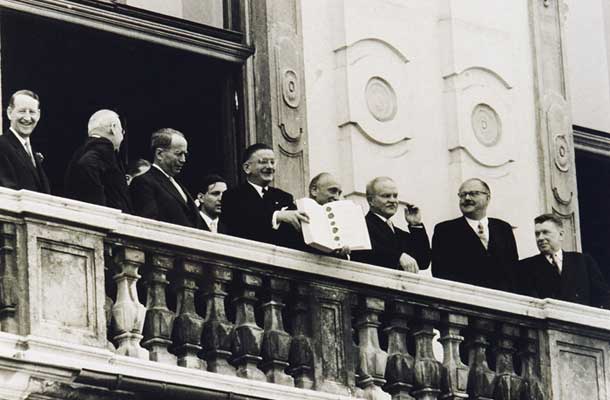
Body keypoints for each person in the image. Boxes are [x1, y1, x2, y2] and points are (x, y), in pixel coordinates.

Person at [431, 178, 518, 291]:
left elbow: (513, 270)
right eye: (462, 195)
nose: (467, 198)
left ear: (488, 197)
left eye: (473, 194)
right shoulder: (445, 231)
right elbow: (440, 274)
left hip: (502, 302)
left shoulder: (503, 228)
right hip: (466, 302)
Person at [220, 143, 308, 247]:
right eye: (263, 162)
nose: (270, 167)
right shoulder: (232, 196)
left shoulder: (284, 197)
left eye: (272, 162)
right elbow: (243, 224)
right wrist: (278, 216)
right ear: (247, 168)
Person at [518, 214, 610, 308]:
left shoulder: (583, 261)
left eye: (545, 232)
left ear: (561, 235)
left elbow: (603, 297)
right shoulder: (526, 267)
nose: (540, 238)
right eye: (537, 234)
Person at [351, 177, 430, 272]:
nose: (393, 200)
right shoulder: (360, 226)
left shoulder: (400, 234)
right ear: (371, 200)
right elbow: (364, 253)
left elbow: (423, 262)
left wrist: (415, 225)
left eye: (395, 196)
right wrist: (397, 257)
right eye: (386, 196)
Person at [130, 128, 203, 229]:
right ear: (160, 154)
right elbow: (149, 225)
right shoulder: (143, 183)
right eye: (178, 154)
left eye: (185, 154)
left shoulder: (178, 185)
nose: (183, 160)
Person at [64, 109, 132, 213]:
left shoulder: (79, 152)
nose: (122, 137)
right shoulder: (103, 151)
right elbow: (87, 164)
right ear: (113, 128)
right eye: (122, 131)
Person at [0, 90, 50, 193]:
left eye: (32, 112)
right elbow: (8, 194)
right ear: (9, 113)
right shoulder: (2, 145)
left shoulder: (32, 152)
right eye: (22, 111)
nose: (27, 118)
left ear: (39, 115)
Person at [308, 172, 350, 257]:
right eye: (333, 191)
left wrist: (342, 254)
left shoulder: (342, 221)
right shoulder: (297, 213)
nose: (337, 198)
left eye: (339, 193)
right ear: (314, 191)